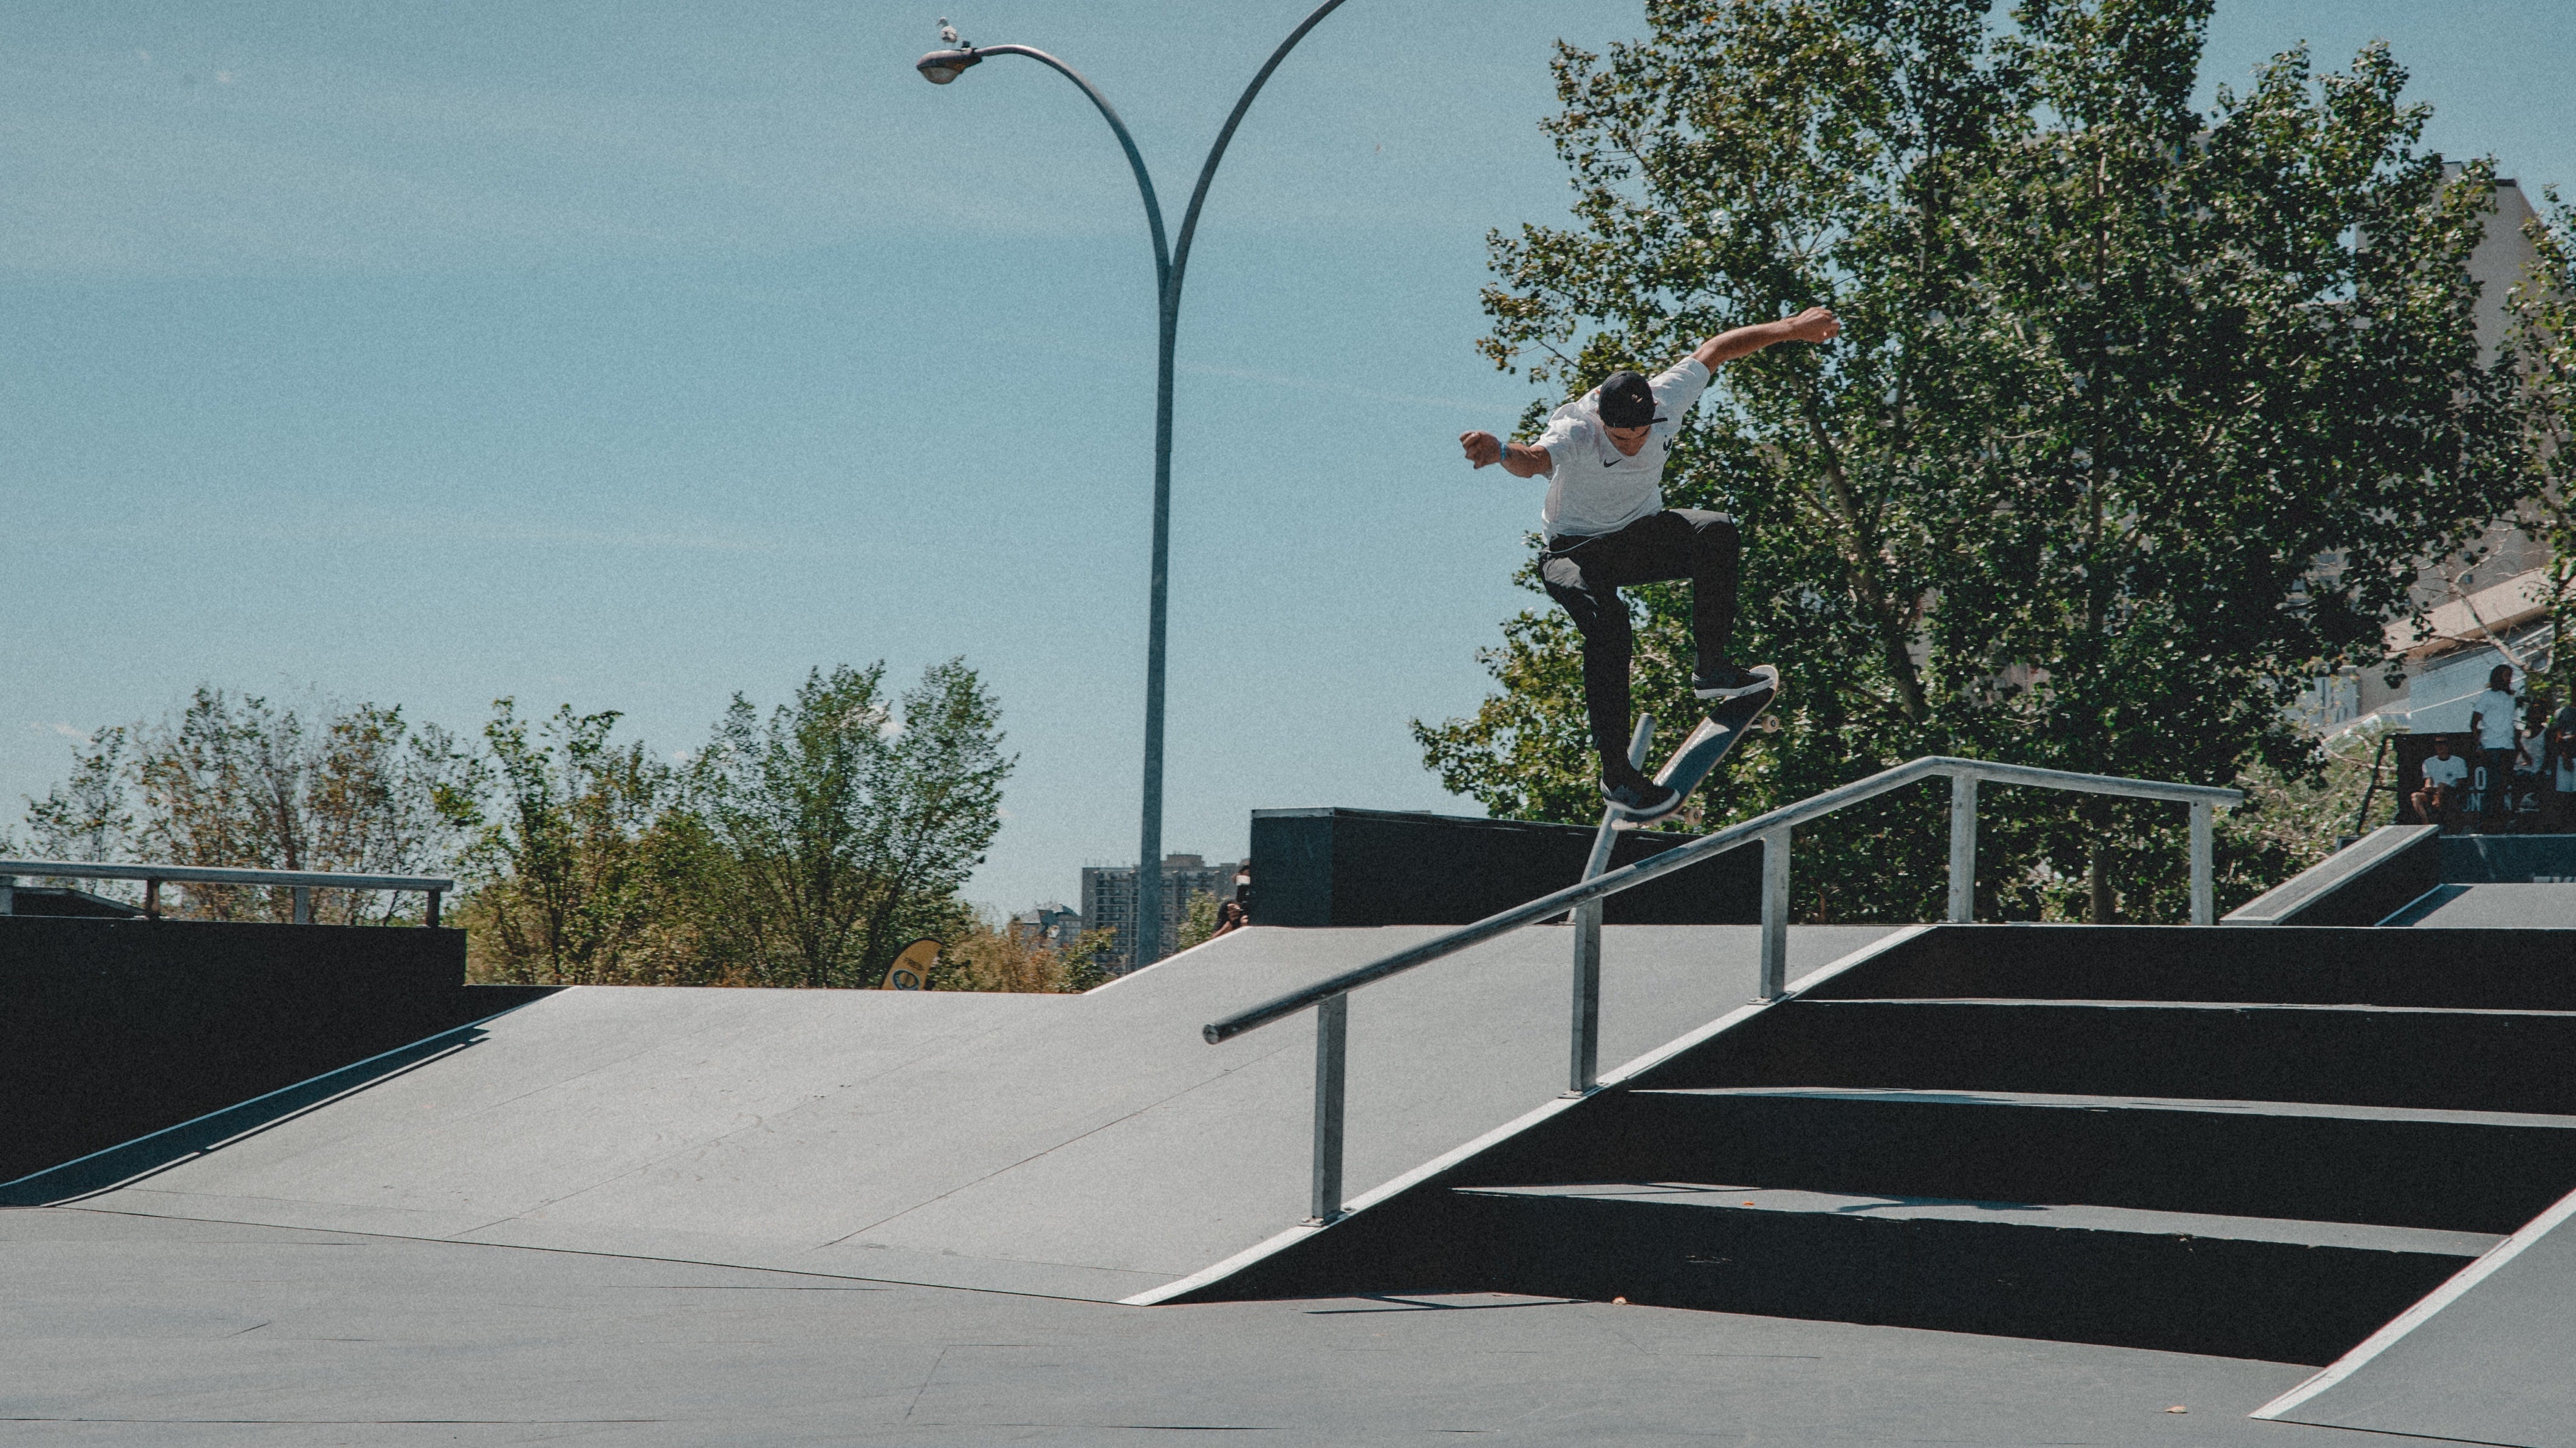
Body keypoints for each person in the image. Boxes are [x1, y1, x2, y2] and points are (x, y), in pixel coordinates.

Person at [1460, 306, 1841, 822]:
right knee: (1610, 626)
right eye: (1623, 439)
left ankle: (1711, 668)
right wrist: (1501, 449)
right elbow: (1532, 461)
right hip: (1572, 554)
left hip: (1637, 538)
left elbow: (1718, 348)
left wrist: (1791, 330)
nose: (1635, 444)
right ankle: (1617, 774)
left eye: (1641, 434)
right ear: (1603, 424)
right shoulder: (1578, 432)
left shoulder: (1667, 396)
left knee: (1715, 530)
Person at [2466, 664, 2521, 830]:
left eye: (2510, 676)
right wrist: (2479, 745)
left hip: (2508, 745)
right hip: (2492, 745)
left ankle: (2500, 819)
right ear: (2498, 677)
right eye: (2506, 675)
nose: (2509, 679)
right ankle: (2486, 820)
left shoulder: (2511, 698)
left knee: (2504, 785)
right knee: (2493, 784)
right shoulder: (2487, 696)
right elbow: (2474, 723)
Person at [2413, 735, 2469, 830]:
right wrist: (2428, 788)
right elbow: (2428, 779)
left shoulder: (2458, 761)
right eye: (2438, 744)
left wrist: (2447, 789)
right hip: (2434, 792)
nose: (2440, 747)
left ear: (2448, 746)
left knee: (2442, 786)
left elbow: (2461, 782)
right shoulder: (2428, 762)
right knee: (2415, 796)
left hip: (2450, 791)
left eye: (2443, 744)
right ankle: (2427, 825)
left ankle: (2439, 805)